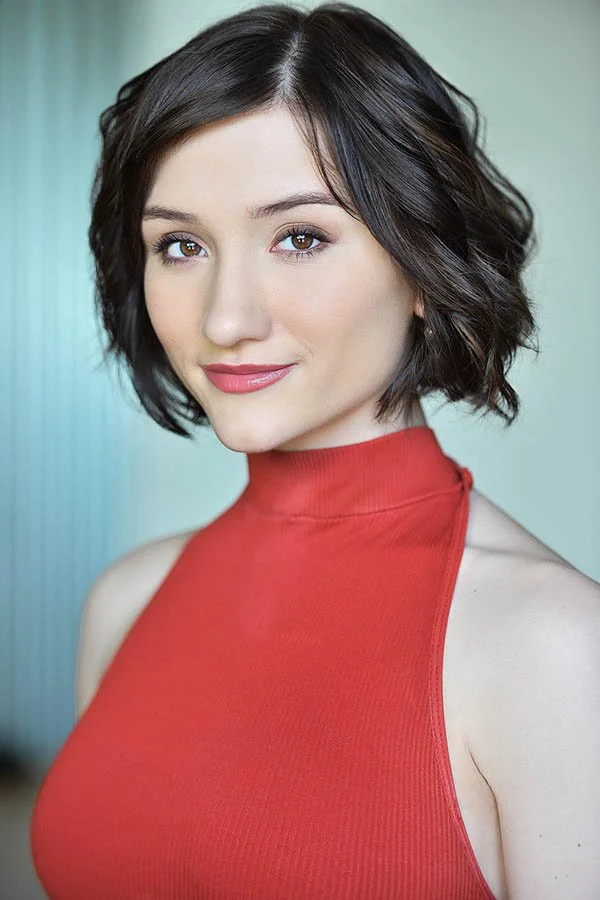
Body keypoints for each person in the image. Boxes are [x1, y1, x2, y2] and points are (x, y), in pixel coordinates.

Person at [30, 3, 600, 898]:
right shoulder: (125, 602)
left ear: (421, 260)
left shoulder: (555, 647)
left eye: (300, 238)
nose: (226, 318)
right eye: (180, 245)